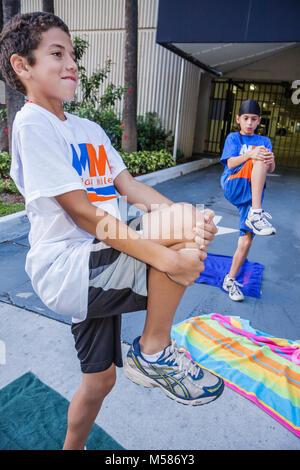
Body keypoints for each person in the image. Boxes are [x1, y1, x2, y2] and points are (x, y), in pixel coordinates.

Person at [0, 12, 224, 450]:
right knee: (181, 247)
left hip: (107, 250)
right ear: (21, 67)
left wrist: (186, 216)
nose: (71, 64)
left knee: (100, 380)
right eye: (56, 53)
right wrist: (166, 257)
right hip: (69, 268)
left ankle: (73, 448)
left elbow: (131, 187)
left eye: (73, 55)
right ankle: (153, 351)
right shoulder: (32, 123)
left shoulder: (88, 129)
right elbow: (83, 215)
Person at [220, 99, 276, 302]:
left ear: (259, 120)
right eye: (246, 119)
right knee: (257, 157)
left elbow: (270, 169)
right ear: (238, 119)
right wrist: (252, 155)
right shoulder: (234, 137)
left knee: (246, 240)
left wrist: (270, 163)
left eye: (254, 119)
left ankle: (230, 280)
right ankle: (256, 213)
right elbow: (230, 162)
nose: (249, 123)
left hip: (251, 195)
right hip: (234, 183)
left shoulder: (265, 141)